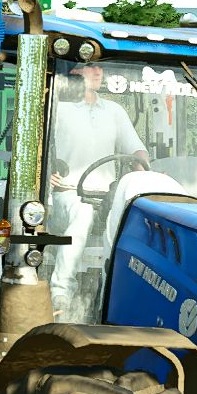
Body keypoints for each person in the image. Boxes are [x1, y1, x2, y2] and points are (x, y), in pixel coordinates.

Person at [47, 63, 150, 319]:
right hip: (66, 195)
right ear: (74, 72)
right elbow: (39, 148)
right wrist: (45, 172)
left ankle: (118, 301)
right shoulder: (57, 109)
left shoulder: (114, 111)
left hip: (107, 200)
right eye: (90, 66)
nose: (98, 72)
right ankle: (61, 293)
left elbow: (136, 149)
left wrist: (145, 171)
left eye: (100, 67)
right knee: (82, 213)